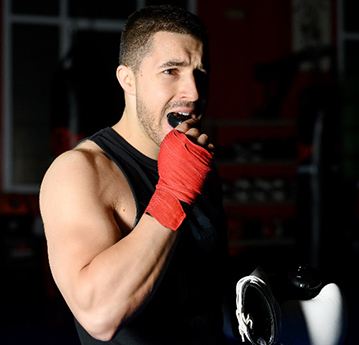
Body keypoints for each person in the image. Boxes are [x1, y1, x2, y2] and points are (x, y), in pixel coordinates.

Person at [39, 5, 231, 345]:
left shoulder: (199, 164)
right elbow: (99, 314)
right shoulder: (80, 172)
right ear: (127, 79)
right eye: (171, 71)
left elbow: (197, 288)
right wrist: (174, 193)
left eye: (200, 73)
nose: (194, 92)